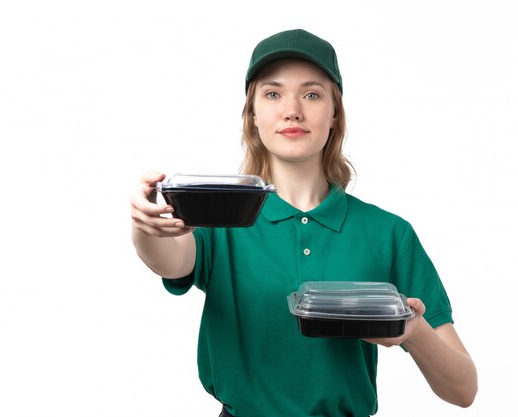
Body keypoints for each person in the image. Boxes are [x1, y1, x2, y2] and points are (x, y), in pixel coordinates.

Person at [130, 28, 477, 417]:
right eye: (273, 94)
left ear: (334, 115)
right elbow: (169, 259)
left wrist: (414, 332)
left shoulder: (389, 233)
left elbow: (463, 389)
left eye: (312, 94)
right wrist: (146, 226)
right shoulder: (221, 219)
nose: (292, 109)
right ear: (253, 115)